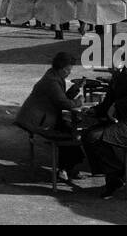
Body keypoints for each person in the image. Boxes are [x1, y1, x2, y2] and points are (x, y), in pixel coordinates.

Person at [82, 66, 127, 199]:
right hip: (126, 124)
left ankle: (116, 174)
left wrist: (116, 105)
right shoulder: (117, 78)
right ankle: (114, 175)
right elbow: (108, 104)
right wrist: (95, 110)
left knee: (95, 136)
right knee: (88, 135)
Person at [15, 51, 86, 182]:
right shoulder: (52, 81)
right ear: (62, 68)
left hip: (42, 117)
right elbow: (63, 103)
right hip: (38, 121)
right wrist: (79, 102)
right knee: (70, 136)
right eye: (68, 69)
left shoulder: (53, 75)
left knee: (69, 131)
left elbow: (60, 98)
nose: (69, 72)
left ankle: (68, 168)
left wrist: (75, 88)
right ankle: (64, 169)